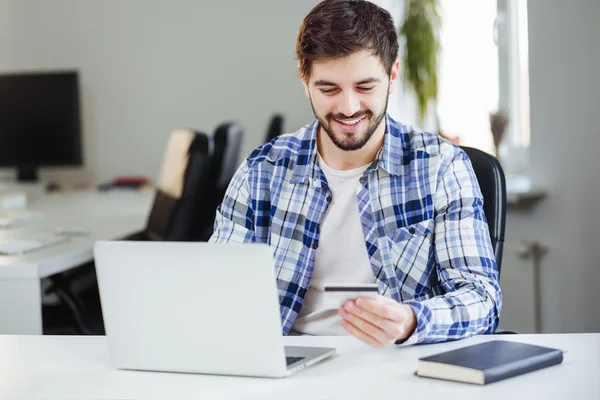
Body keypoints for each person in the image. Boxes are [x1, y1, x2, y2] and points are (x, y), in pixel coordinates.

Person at [209, 0, 502, 347]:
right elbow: (218, 294)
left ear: (392, 76)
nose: (348, 108)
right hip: (288, 366)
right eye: (329, 89)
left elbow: (481, 298)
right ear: (305, 81)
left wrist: (411, 321)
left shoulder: (440, 166)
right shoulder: (262, 171)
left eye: (365, 87)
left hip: (399, 364)